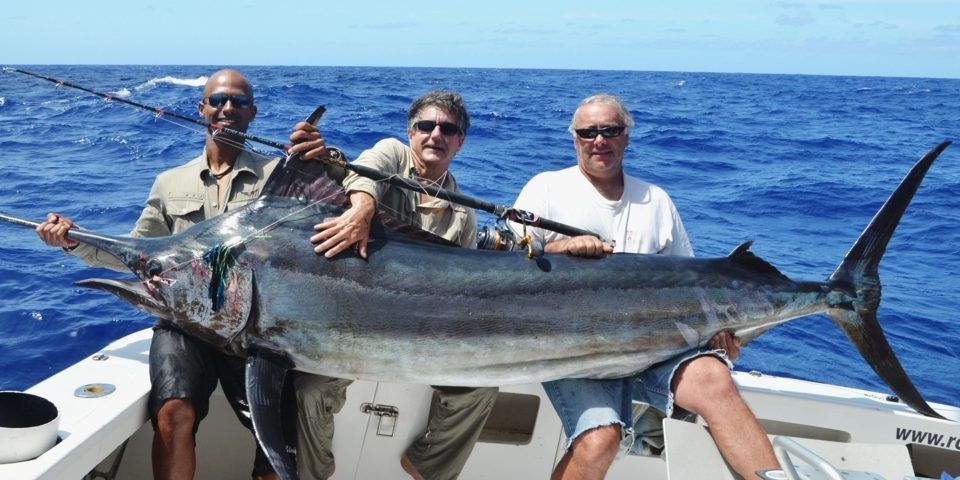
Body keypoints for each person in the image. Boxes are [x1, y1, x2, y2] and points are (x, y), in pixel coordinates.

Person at [511, 94, 780, 479]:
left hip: (656, 346)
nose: (599, 140)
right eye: (588, 132)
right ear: (574, 139)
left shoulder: (656, 200)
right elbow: (508, 262)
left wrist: (719, 330)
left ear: (626, 137)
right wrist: (559, 248)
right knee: (602, 438)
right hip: (574, 350)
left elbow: (692, 285)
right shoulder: (546, 188)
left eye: (610, 130)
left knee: (715, 379)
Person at [35, 69, 280, 480]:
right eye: (218, 100)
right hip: (184, 323)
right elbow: (137, 251)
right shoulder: (171, 183)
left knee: (275, 436)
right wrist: (73, 240)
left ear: (252, 112)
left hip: (257, 327)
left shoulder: (279, 176)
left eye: (238, 101)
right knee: (172, 413)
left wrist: (327, 160)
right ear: (202, 108)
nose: (227, 108)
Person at [287, 90, 499, 480]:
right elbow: (362, 171)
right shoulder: (391, 155)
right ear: (410, 132)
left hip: (420, 332)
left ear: (460, 141)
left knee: (481, 386)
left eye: (448, 129)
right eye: (426, 126)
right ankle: (314, 471)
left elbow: (460, 286)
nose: (436, 134)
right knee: (310, 390)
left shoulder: (463, 211)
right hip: (352, 326)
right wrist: (363, 207)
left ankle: (426, 465)